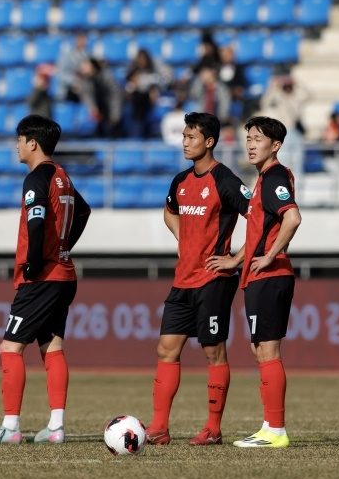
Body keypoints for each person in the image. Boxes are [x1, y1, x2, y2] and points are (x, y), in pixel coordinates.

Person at [0, 116, 91, 444]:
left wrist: (35, 261)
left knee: (10, 347)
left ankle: (10, 427)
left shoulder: (37, 177)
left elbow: (36, 222)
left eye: (19, 139)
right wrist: (63, 246)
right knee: (52, 346)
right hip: (64, 274)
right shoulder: (62, 175)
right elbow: (84, 212)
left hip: (42, 277)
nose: (16, 146)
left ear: (32, 143)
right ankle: (56, 427)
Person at [148, 113, 251, 447]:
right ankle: (159, 428)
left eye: (191, 137)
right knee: (166, 349)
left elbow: (261, 218)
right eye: (183, 136)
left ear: (209, 142)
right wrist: (183, 240)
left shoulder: (226, 180)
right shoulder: (180, 181)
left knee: (213, 351)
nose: (184, 142)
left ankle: (213, 429)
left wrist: (235, 259)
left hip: (213, 280)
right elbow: (170, 212)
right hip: (183, 280)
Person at [212, 116, 300, 448]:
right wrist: (237, 260)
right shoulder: (265, 178)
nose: (250, 144)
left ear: (275, 146)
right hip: (259, 275)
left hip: (270, 275)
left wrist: (269, 256)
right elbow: (260, 230)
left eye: (258, 139)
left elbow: (293, 218)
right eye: (248, 138)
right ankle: (269, 426)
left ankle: (275, 430)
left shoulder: (275, 177)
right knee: (259, 348)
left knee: (267, 349)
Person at [124, 49, 169, 139]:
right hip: (137, 112)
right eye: (139, 59)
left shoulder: (152, 74)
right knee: (136, 135)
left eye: (143, 59)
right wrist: (134, 86)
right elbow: (127, 94)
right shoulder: (132, 75)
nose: (141, 62)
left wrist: (153, 91)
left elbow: (161, 87)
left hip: (150, 110)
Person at [77, 58, 123, 138]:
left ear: (94, 67)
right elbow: (86, 95)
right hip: (99, 111)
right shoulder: (86, 80)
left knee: (114, 133)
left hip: (110, 108)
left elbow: (116, 95)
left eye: (86, 66)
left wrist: (115, 114)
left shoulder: (107, 76)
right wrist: (93, 107)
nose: (83, 69)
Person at [56, 33, 89, 101]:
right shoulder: (66, 56)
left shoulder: (88, 56)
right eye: (79, 39)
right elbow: (61, 74)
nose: (82, 41)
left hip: (84, 90)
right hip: (68, 89)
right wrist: (75, 81)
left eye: (83, 39)